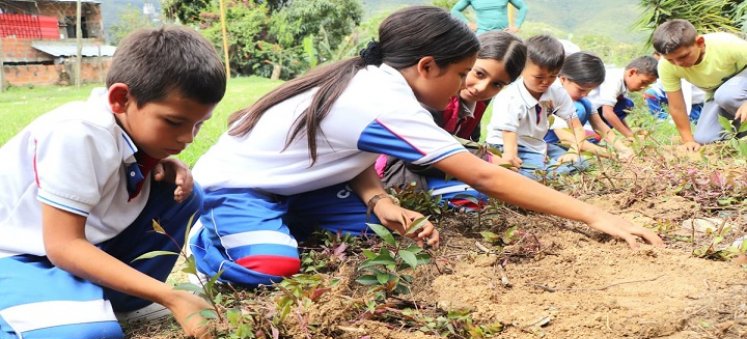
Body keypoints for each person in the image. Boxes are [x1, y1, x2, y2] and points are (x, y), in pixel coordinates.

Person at [189, 6, 662, 289]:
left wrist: (378, 198)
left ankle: (282, 224)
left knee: (384, 235)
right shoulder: (382, 99)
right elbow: (483, 176)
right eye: (462, 75)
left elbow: (345, 153)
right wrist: (598, 216)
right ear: (427, 66)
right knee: (273, 266)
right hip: (237, 188)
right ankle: (210, 242)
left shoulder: (378, 84)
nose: (463, 86)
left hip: (295, 188)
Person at [0, 26, 226, 339]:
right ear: (121, 99)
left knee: (186, 195)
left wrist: (157, 158)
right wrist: (171, 296)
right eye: (174, 122)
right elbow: (63, 245)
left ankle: (98, 300)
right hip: (20, 256)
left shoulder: (125, 126)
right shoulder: (77, 134)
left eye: (199, 124)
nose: (189, 138)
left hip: (73, 248)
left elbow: (124, 156)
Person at [378, 31, 527, 210]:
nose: (481, 88)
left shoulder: (478, 101)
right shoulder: (436, 97)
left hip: (437, 170)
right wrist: (485, 161)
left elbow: (472, 138)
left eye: (496, 84)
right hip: (398, 172)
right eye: (479, 74)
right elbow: (419, 158)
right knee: (484, 195)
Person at [485, 35, 594, 180]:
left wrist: (573, 151)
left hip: (536, 146)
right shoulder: (511, 97)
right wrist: (510, 159)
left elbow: (577, 127)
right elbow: (508, 132)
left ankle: (545, 170)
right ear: (522, 69)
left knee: (583, 162)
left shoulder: (556, 93)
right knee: (534, 175)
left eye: (552, 76)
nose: (546, 82)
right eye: (538, 77)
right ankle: (540, 172)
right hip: (505, 145)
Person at [652, 19, 747, 151]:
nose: (678, 64)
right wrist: (688, 140)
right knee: (705, 138)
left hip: (741, 80)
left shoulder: (726, 44)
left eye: (683, 56)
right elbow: (677, 106)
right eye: (671, 60)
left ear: (700, 43)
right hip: (718, 91)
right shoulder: (665, 66)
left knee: (727, 95)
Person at [545, 52, 634, 160]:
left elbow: (600, 126)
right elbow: (567, 138)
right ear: (563, 79)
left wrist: (623, 149)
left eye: (589, 90)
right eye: (581, 90)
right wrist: (612, 155)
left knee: (585, 105)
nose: (585, 94)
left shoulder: (583, 100)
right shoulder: (553, 97)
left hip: (572, 143)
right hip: (547, 142)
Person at [586, 56, 659, 140]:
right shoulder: (614, 79)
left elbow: (617, 115)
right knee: (626, 104)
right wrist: (629, 135)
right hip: (585, 111)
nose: (643, 87)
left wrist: (630, 133)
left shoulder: (624, 83)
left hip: (596, 111)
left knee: (626, 104)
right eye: (643, 82)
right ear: (632, 72)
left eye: (647, 85)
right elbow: (607, 113)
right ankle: (593, 134)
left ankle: (601, 133)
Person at [643, 52, 704, 123]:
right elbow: (660, 85)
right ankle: (661, 119)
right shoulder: (663, 66)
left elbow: (685, 96)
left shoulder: (678, 65)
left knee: (691, 122)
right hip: (672, 96)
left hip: (693, 104)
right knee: (650, 93)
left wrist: (677, 119)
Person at [451, 0, 528, 34]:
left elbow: (523, 7)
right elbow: (455, 10)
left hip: (503, 33)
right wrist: (467, 24)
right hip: (481, 34)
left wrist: (517, 26)